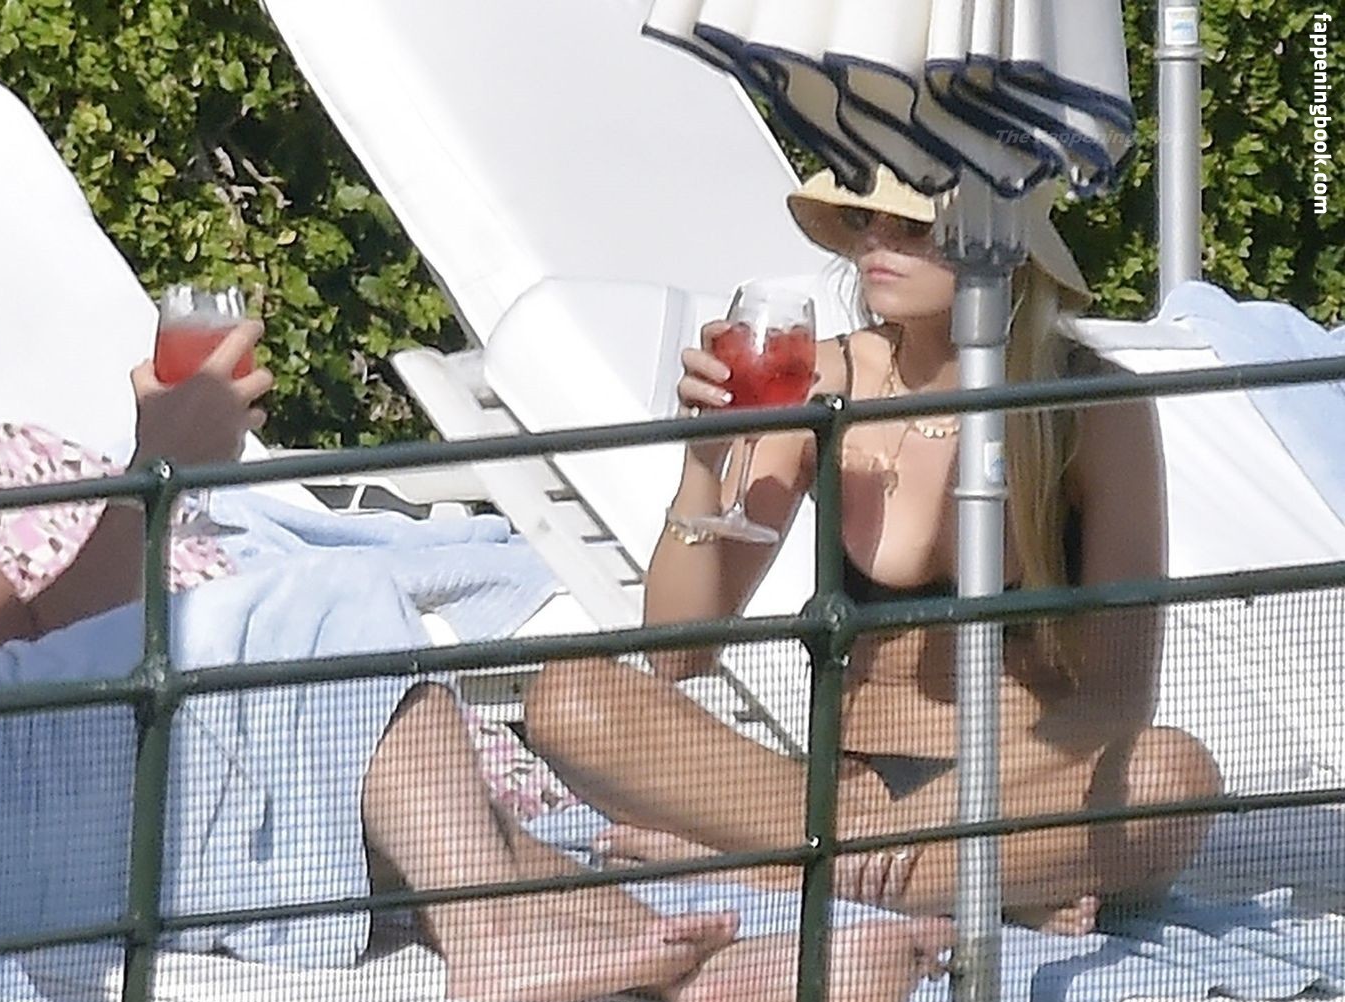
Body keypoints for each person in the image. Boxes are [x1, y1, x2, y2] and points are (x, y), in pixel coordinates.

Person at [0, 111, 953, 1002]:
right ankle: (505, 939)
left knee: (315, 739)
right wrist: (163, 473)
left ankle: (708, 955)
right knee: (320, 610)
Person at [524, 167, 1224, 935]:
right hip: (837, 793)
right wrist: (703, 461)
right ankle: (972, 885)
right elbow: (676, 651)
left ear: (1001, 246)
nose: (877, 241)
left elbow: (1118, 699)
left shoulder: (1090, 407)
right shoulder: (820, 379)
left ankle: (778, 870)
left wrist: (937, 816)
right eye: (864, 220)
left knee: (1172, 777)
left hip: (1020, 792)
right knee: (570, 697)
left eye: (914, 226)